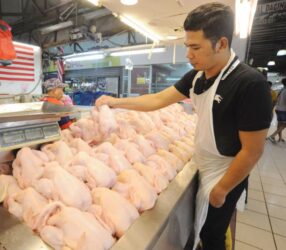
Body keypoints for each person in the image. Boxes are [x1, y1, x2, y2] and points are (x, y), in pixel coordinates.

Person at [96, 3, 272, 250]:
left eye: (195, 47)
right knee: (205, 229)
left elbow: (252, 151)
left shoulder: (249, 84)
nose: (189, 54)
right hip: (205, 163)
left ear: (221, 43)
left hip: (227, 170)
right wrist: (116, 102)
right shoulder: (197, 77)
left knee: (213, 235)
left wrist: (222, 189)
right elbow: (157, 99)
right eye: (187, 46)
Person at [267, 78, 286, 143]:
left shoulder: (281, 90)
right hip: (283, 110)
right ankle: (272, 136)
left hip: (278, 109)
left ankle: (280, 138)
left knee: (280, 124)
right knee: (284, 124)